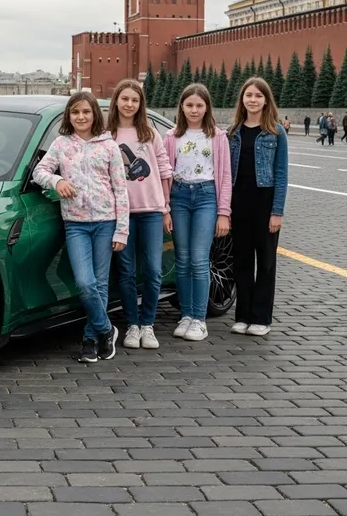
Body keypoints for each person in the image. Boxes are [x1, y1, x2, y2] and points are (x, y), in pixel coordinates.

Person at [33, 91, 129, 364]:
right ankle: (107, 329)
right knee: (84, 283)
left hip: (105, 222)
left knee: (99, 285)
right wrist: (56, 181)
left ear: (94, 114)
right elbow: (40, 172)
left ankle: (90, 340)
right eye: (75, 112)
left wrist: (122, 229)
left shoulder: (109, 146)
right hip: (75, 224)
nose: (81, 117)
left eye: (86, 112)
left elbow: (121, 190)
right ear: (69, 116)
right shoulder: (62, 144)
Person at [163, 84, 232, 342]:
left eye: (199, 105)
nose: (194, 110)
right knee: (181, 259)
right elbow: (164, 175)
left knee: (199, 258)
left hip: (206, 197)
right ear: (181, 106)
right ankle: (186, 316)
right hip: (179, 196)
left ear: (207, 108)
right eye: (189, 105)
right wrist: (165, 209)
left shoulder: (217, 136)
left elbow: (225, 177)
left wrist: (223, 212)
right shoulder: (171, 137)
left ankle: (199, 319)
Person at [107, 79, 172, 350]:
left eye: (134, 100)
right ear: (117, 101)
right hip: (122, 215)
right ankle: (132, 325)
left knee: (154, 271)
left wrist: (166, 208)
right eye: (125, 99)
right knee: (126, 271)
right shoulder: (107, 135)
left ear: (140, 104)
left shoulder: (150, 133)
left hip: (152, 213)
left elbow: (166, 171)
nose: (129, 104)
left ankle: (148, 325)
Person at [228, 77, 288, 337]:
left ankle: (261, 317)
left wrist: (277, 212)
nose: (252, 100)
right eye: (248, 95)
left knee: (265, 261)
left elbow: (282, 173)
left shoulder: (276, 132)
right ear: (242, 100)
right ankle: (243, 315)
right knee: (240, 260)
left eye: (258, 96)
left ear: (266, 100)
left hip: (264, 202)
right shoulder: (233, 133)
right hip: (238, 202)